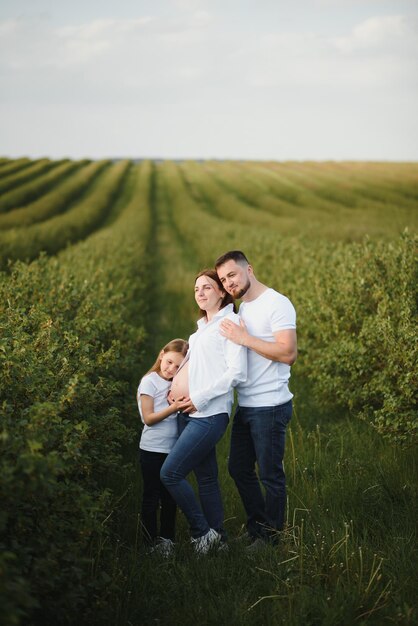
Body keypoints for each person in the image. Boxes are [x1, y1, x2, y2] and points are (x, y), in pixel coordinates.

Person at [160, 269, 247, 554]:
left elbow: (236, 372)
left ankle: (202, 533)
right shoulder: (199, 332)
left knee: (171, 473)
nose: (200, 292)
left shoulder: (229, 323)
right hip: (187, 413)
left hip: (209, 414)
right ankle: (219, 539)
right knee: (207, 478)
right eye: (196, 288)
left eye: (207, 287)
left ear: (221, 292)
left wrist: (197, 397)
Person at [215, 250, 297, 546]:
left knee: (271, 476)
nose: (228, 284)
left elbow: (288, 354)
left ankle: (272, 537)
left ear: (249, 269)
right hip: (246, 405)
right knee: (237, 467)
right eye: (223, 280)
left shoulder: (277, 303)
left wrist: (244, 339)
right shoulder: (240, 309)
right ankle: (258, 527)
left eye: (232, 275)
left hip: (271, 405)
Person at [137, 338, 189, 556]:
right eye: (169, 362)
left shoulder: (176, 383)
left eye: (178, 367)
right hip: (151, 449)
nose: (171, 369)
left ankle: (167, 541)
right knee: (152, 495)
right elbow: (148, 418)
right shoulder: (150, 382)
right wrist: (174, 407)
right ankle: (149, 542)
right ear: (161, 355)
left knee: (170, 497)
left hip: (172, 449)